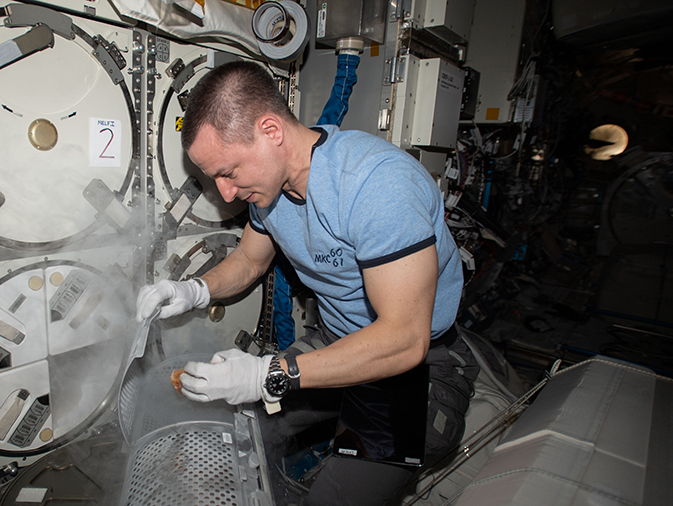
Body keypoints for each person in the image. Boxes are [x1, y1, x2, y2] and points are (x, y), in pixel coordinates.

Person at [136, 61, 478, 505]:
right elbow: (248, 260)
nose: (225, 194)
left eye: (229, 171)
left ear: (271, 131)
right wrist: (191, 291)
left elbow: (403, 338)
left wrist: (267, 374)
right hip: (334, 341)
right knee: (226, 427)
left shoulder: (376, 184)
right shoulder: (271, 188)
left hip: (415, 364)